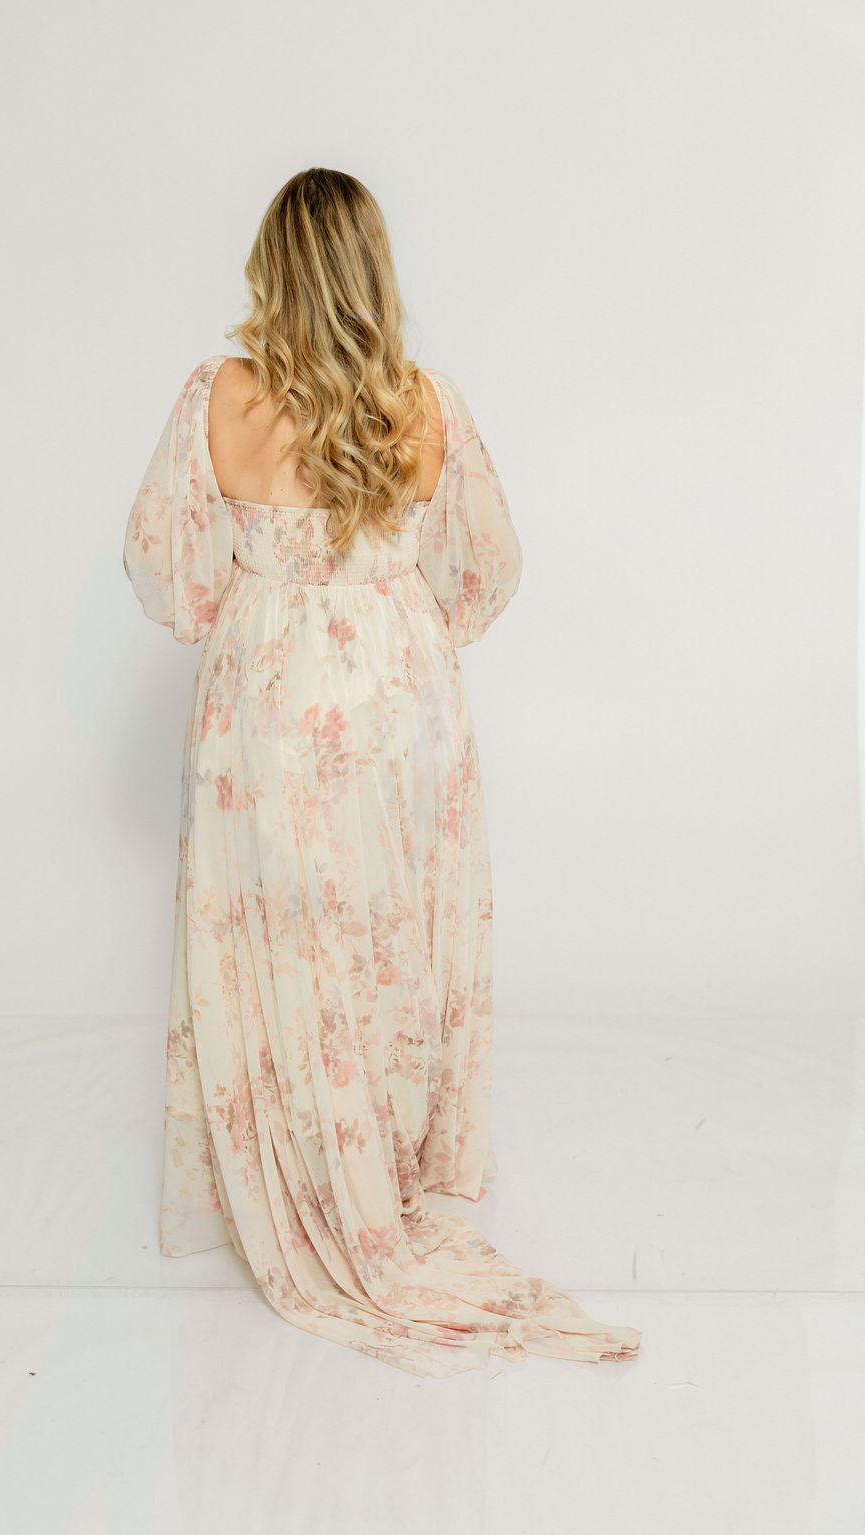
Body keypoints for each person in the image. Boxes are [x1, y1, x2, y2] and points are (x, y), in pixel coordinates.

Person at [122, 167, 642, 1378]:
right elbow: (489, 568)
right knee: (385, 931)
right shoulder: (426, 404)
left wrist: (253, 594)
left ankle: (306, 1169)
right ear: (372, 270)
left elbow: (164, 574)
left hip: (265, 700)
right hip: (399, 698)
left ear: (273, 266)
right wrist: (395, 620)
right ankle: (384, 1163)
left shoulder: (221, 396)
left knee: (280, 934)